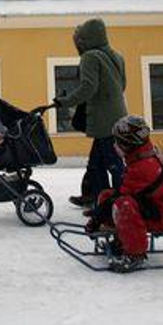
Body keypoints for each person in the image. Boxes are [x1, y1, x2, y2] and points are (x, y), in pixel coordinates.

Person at [85, 115, 163, 273]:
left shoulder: (143, 167)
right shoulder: (139, 159)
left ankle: (135, 254)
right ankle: (122, 240)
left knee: (123, 205)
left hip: (162, 215)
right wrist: (99, 212)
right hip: (151, 206)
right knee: (107, 195)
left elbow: (123, 196)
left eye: (117, 142)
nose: (114, 146)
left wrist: (97, 217)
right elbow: (120, 193)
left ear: (129, 144)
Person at [54, 18, 128, 208]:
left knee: (111, 164)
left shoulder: (90, 57)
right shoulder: (117, 56)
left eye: (79, 41)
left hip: (103, 120)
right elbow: (122, 85)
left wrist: (65, 101)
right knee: (97, 163)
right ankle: (96, 198)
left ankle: (117, 202)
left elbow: (88, 87)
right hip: (119, 117)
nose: (77, 45)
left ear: (85, 40)